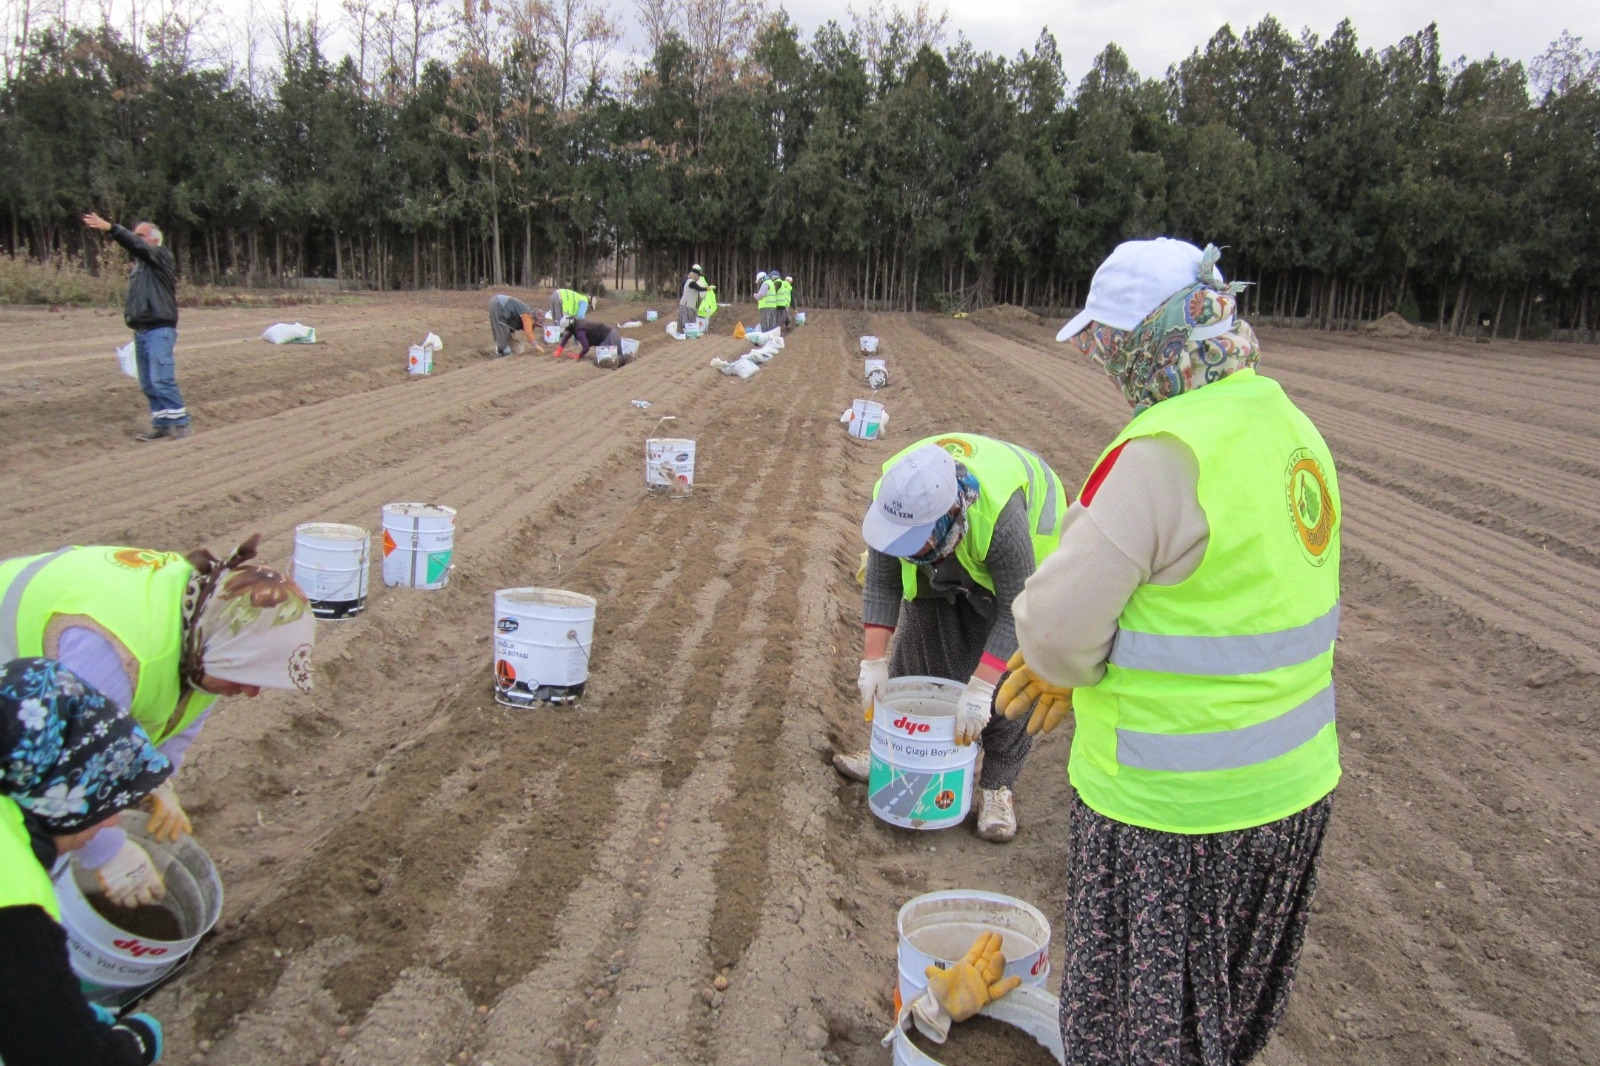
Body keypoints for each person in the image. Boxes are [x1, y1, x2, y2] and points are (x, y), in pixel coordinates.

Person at [1006, 239, 1342, 1064]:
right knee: (1217, 1029)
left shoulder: (1164, 453)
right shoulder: (1291, 429)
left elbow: (1054, 627)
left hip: (1173, 817)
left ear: (1148, 340)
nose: (1107, 367)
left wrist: (1068, 672)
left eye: (1109, 346)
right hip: (1292, 797)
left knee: (1132, 1036)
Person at [0, 535, 317, 910]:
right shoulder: (116, 655)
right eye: (248, 675)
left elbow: (181, 721)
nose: (252, 691)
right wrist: (109, 855)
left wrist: (157, 782)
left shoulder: (210, 635)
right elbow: (68, 773)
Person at [833, 434, 1066, 842]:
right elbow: (883, 584)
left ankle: (997, 786)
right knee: (920, 644)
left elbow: (1017, 612)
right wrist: (873, 663)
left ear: (948, 515)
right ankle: (892, 754)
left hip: (1021, 574)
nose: (903, 547)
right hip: (950, 547)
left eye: (913, 540)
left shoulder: (1000, 521)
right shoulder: (893, 500)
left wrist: (980, 688)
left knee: (1009, 681)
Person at [0, 657, 173, 1065]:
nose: (112, 821)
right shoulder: (17, 905)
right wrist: (132, 1042)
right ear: (62, 800)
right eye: (105, 802)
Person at [82, 213, 188, 443]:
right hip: (141, 331)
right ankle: (162, 425)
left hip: (160, 329)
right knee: (148, 383)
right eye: (134, 235)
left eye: (140, 235)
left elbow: (136, 246)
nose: (135, 238)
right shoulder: (138, 269)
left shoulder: (161, 256)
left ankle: (181, 425)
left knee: (162, 379)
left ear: (154, 240)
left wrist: (112, 228)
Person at [555, 317, 630, 367]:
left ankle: (624, 359)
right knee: (614, 355)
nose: (567, 331)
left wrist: (578, 356)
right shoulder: (577, 323)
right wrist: (559, 350)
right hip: (613, 333)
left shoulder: (580, 332)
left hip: (608, 337)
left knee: (602, 361)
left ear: (570, 327)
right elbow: (566, 337)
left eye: (566, 329)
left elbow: (586, 348)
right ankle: (624, 358)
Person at [678, 266, 708, 334]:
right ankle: (686, 333)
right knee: (687, 321)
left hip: (689, 304)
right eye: (698, 276)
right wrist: (707, 288)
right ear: (695, 275)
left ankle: (687, 333)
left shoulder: (689, 281)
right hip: (687, 304)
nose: (699, 278)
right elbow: (699, 288)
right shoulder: (691, 282)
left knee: (690, 320)